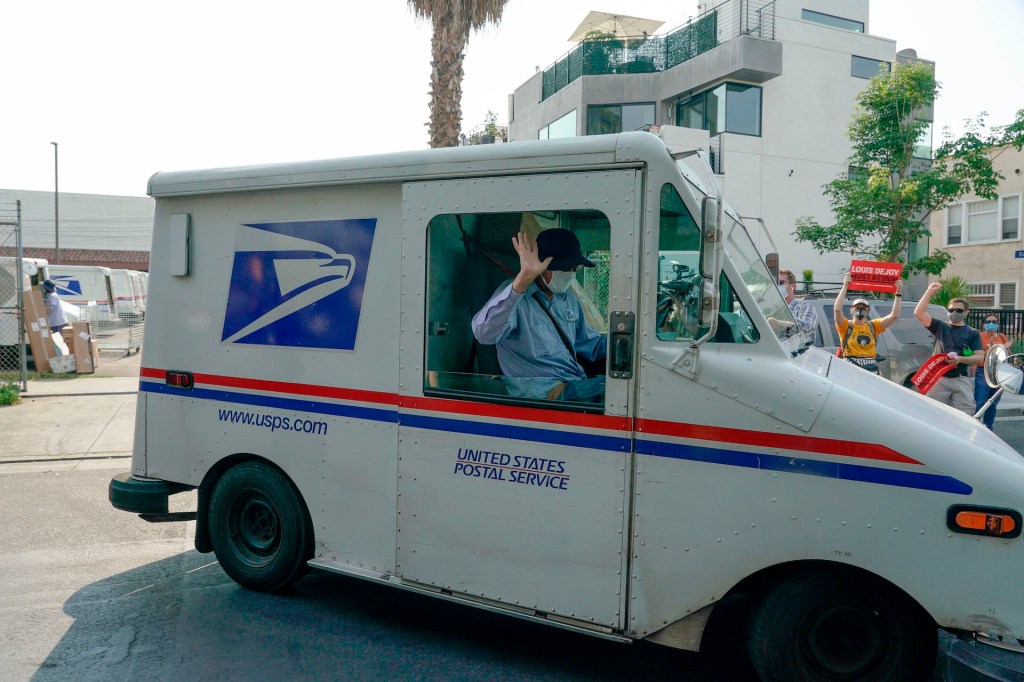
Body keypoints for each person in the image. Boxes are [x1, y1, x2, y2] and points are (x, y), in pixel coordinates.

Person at [472, 229, 606, 401]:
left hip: (573, 381)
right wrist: (522, 281)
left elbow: (591, 344)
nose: (570, 273)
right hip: (543, 392)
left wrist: (627, 343)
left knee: (623, 389)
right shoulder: (515, 297)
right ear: (543, 265)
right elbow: (483, 334)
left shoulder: (567, 300)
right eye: (565, 267)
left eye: (575, 268)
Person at [914, 282, 983, 415]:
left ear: (966, 312)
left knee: (965, 417)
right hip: (939, 378)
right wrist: (929, 291)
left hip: (961, 379)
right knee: (931, 414)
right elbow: (918, 312)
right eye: (951, 310)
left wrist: (960, 359)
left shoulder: (972, 332)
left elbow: (979, 357)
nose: (954, 313)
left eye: (959, 310)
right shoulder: (940, 327)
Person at [833, 273, 903, 373]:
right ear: (852, 310)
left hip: (870, 366)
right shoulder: (845, 325)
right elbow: (837, 310)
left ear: (868, 311)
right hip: (850, 365)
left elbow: (894, 316)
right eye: (857, 308)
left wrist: (898, 293)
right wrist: (845, 286)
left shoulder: (873, 325)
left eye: (863, 308)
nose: (860, 310)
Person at [974, 313, 1012, 430]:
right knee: (981, 401)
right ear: (984, 324)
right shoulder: (979, 336)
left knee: (993, 403)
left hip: (999, 373)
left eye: (994, 322)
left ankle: (988, 428)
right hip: (983, 371)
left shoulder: (1001, 336)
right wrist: (993, 348)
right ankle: (975, 425)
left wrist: (1005, 347)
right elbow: (979, 357)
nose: (991, 324)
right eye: (989, 321)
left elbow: (1008, 355)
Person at [778, 268, 817, 340]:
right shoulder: (772, 309)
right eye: (774, 283)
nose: (777, 286)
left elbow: (806, 330)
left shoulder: (805, 307)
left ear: (793, 286)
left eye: (781, 283)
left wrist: (778, 322)